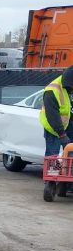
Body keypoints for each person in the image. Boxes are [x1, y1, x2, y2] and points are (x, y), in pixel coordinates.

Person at [39, 66, 73, 200]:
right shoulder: (52, 91)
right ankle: (51, 183)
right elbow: (52, 116)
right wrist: (62, 135)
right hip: (53, 127)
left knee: (70, 154)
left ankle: (66, 183)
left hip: (68, 123)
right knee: (53, 156)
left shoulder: (68, 87)